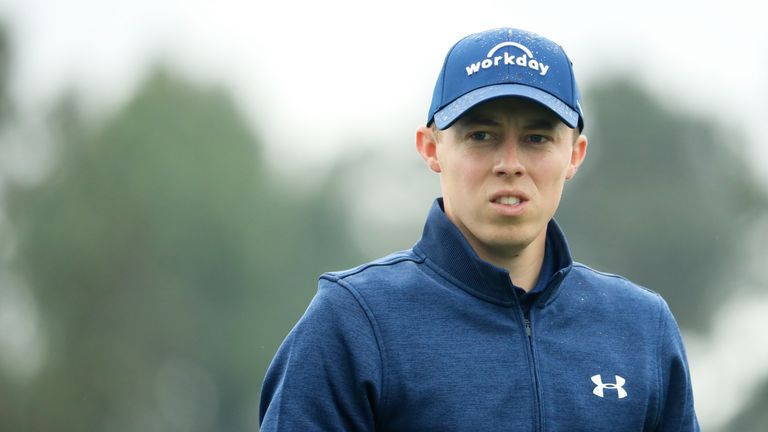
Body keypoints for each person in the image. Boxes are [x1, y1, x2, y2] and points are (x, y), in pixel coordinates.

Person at [259, 27, 699, 431]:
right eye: (481, 136)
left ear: (575, 155)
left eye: (537, 138)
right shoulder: (354, 321)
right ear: (431, 148)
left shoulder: (640, 327)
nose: (510, 164)